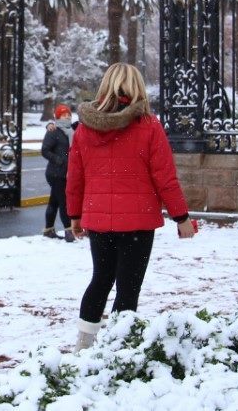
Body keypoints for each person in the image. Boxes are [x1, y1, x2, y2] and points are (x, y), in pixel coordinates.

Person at [65, 63, 196, 351]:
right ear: (137, 86)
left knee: (100, 279)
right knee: (128, 287)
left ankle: (84, 345)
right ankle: (120, 348)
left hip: (98, 221)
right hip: (138, 223)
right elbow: (165, 177)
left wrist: (75, 215)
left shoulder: (85, 129)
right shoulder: (149, 126)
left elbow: (75, 177)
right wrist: (181, 217)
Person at [40, 104, 76, 241]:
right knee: (64, 201)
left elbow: (84, 123)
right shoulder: (53, 131)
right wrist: (59, 160)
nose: (67, 117)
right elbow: (45, 150)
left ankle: (48, 230)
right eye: (63, 115)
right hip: (56, 173)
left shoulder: (71, 130)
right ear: (58, 116)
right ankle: (68, 231)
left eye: (68, 114)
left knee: (54, 201)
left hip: (65, 173)